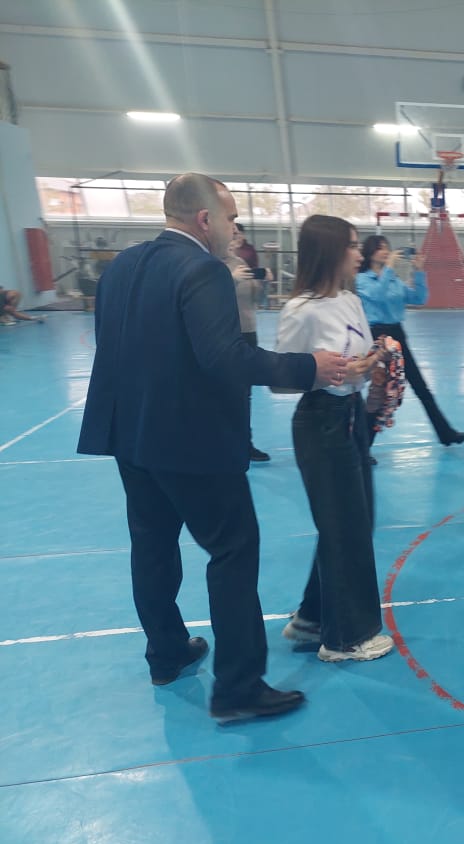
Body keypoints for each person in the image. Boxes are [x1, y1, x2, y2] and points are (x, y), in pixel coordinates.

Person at [77, 173, 348, 722]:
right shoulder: (203, 270)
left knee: (152, 546)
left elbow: (119, 348)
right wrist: (309, 368)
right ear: (205, 219)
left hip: (132, 436)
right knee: (233, 549)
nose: (234, 229)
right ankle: (238, 688)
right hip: (191, 442)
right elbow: (225, 358)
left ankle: (166, 653)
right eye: (230, 218)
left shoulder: (122, 266)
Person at [275, 215, 395, 663]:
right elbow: (281, 380)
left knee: (352, 524)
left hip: (351, 418)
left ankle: (313, 616)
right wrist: (334, 372)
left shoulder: (350, 300)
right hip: (320, 423)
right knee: (345, 528)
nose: (359, 253)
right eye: (351, 245)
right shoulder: (300, 310)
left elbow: (357, 358)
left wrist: (375, 365)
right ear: (329, 251)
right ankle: (345, 638)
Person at [356, 234, 464, 453]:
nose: (386, 251)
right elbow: (378, 296)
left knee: (421, 387)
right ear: (369, 253)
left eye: (387, 247)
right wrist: (389, 269)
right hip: (378, 338)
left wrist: (419, 272)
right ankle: (362, 448)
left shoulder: (393, 280)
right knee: (380, 393)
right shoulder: (362, 280)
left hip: (397, 335)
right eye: (380, 248)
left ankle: (445, 433)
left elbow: (418, 298)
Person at [226, 234, 270, 462]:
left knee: (245, 393)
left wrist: (264, 282)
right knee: (223, 391)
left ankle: (245, 443)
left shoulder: (241, 263)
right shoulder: (208, 264)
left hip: (248, 332)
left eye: (237, 234)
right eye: (232, 232)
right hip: (225, 333)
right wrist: (230, 280)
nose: (236, 238)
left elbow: (258, 300)